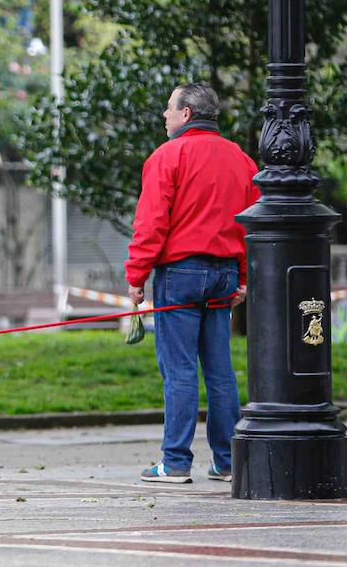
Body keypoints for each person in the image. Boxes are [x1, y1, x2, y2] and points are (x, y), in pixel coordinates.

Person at [124, 82, 258, 485]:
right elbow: (255, 222)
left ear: (185, 114)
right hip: (224, 275)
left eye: (168, 108)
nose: (164, 115)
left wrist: (136, 277)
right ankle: (227, 460)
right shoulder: (242, 159)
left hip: (180, 274)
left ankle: (176, 461)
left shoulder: (167, 156)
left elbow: (151, 223)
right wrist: (245, 278)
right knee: (220, 371)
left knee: (179, 369)